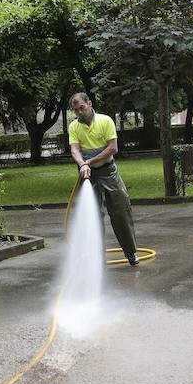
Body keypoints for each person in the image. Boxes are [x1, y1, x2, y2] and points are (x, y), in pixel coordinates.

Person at [68, 92, 139, 266]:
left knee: (121, 210)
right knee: (92, 215)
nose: (79, 112)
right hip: (87, 174)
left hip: (108, 171)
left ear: (89, 103)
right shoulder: (74, 127)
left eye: (82, 108)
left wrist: (90, 161)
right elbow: (75, 150)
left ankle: (130, 252)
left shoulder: (105, 121)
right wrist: (83, 165)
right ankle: (96, 256)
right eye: (76, 110)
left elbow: (112, 148)